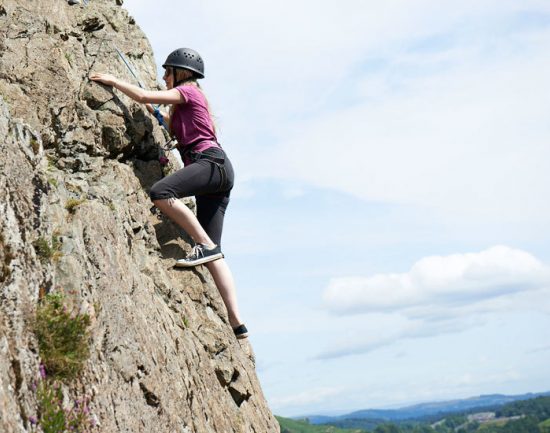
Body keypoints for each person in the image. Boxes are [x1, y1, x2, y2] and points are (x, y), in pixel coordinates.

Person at [89, 48, 248, 339]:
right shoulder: (184, 106)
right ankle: (237, 322)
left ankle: (203, 244)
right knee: (214, 251)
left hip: (211, 163)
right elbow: (159, 111)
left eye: (167, 72)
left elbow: (144, 96)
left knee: (161, 192)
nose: (164, 77)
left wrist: (114, 81)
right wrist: (160, 117)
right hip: (219, 171)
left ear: (182, 73)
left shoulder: (189, 92)